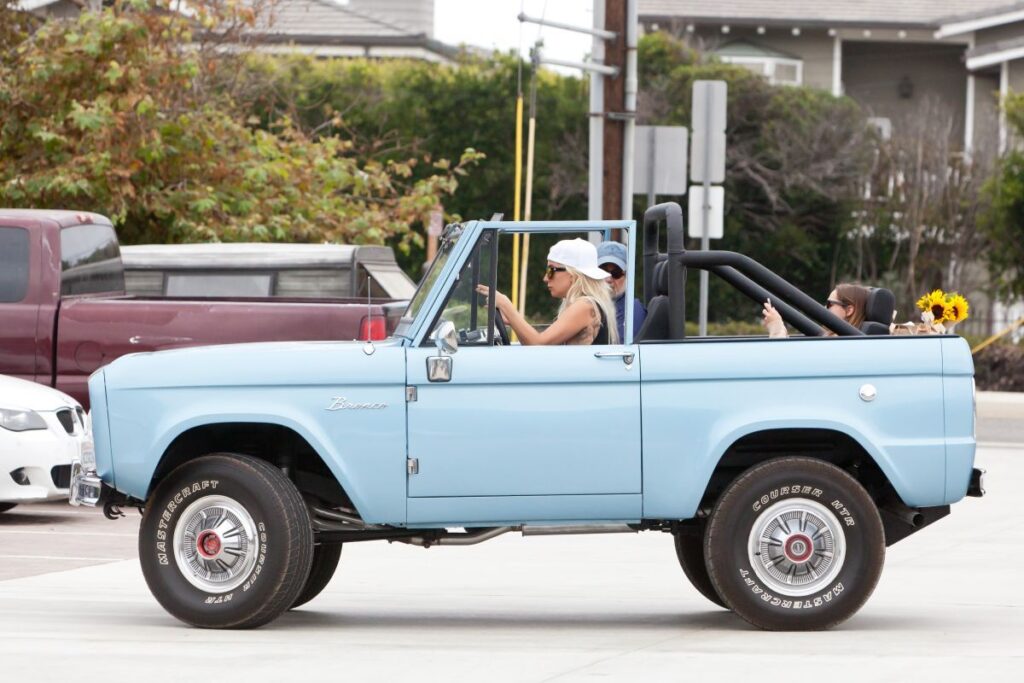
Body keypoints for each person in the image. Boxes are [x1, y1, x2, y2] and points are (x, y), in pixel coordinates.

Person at [476, 238, 618, 345]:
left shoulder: (585, 306)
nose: (545, 278)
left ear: (573, 274)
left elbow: (538, 345)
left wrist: (507, 305)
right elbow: (539, 346)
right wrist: (513, 321)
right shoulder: (585, 305)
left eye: (551, 270)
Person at [763, 283, 868, 338]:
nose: (824, 308)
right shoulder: (838, 342)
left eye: (829, 304)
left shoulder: (842, 347)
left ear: (849, 310)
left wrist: (777, 330)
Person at [596, 241, 647, 342]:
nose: (608, 279)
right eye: (602, 271)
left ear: (628, 276)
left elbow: (620, 350)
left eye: (616, 273)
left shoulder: (632, 309)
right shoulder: (584, 304)